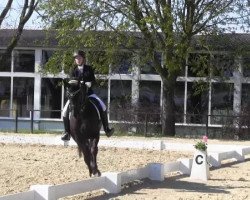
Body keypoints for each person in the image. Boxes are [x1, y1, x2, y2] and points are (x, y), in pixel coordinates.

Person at [61, 50, 114, 141]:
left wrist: (89, 83)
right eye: (76, 58)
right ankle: (67, 132)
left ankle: (106, 129)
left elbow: (93, 81)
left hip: (89, 93)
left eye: (79, 58)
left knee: (103, 106)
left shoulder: (89, 69)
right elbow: (71, 81)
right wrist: (77, 83)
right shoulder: (72, 70)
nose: (77, 59)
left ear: (83, 59)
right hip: (77, 95)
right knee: (65, 110)